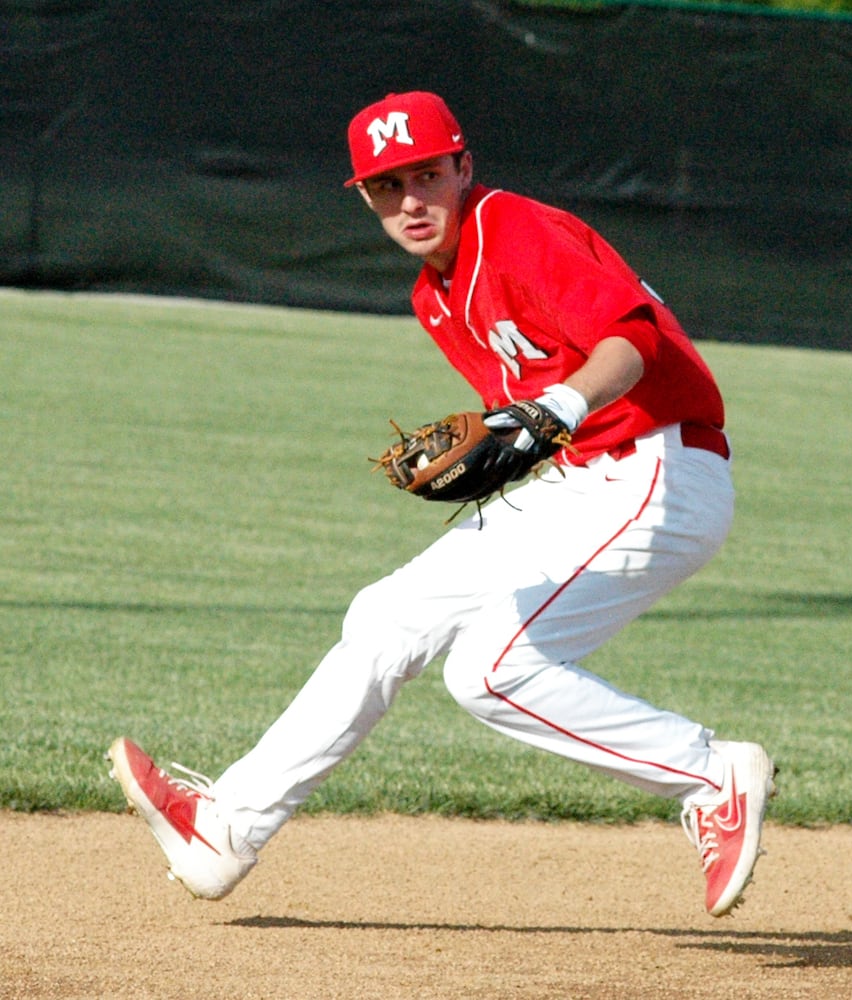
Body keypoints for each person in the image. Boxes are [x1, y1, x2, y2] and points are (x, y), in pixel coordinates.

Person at [108, 91, 775, 918]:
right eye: (386, 188)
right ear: (363, 198)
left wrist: (558, 409)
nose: (410, 202)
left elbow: (630, 339)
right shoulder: (433, 296)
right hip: (586, 480)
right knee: (387, 617)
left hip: (662, 471)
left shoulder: (517, 229)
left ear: (464, 166)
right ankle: (226, 830)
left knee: (490, 670)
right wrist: (517, 438)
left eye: (426, 175)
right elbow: (526, 421)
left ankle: (710, 774)